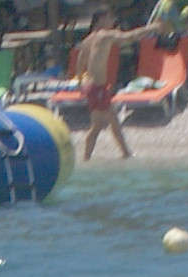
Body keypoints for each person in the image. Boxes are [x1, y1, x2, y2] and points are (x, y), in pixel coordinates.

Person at [72, 8, 147, 162]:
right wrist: (150, 28)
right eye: (110, 17)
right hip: (97, 88)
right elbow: (129, 37)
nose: (113, 20)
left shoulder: (89, 39)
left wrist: (80, 82)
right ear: (101, 19)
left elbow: (80, 61)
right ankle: (87, 158)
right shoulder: (105, 35)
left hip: (93, 87)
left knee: (108, 122)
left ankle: (123, 153)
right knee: (100, 125)